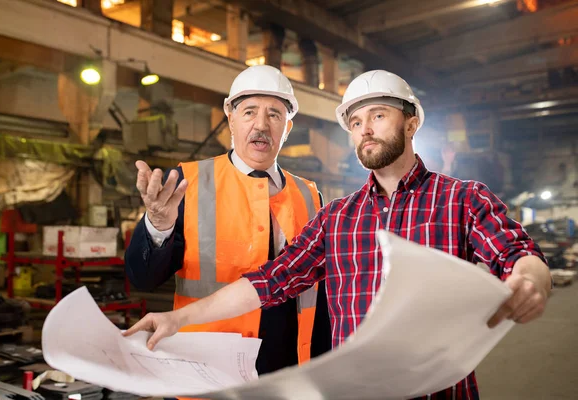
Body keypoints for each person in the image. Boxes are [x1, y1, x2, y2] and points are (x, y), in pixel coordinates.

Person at [124, 70, 552, 399]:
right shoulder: (338, 218)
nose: (364, 129)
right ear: (230, 116)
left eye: (378, 115)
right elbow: (270, 281)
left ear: (411, 123)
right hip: (333, 389)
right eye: (355, 121)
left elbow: (519, 254)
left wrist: (530, 281)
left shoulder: (460, 199)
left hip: (435, 390)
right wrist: (176, 317)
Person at [124, 65, 332, 376]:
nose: (261, 125)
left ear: (288, 126)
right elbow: (142, 279)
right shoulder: (188, 183)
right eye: (249, 112)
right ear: (230, 116)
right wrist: (157, 225)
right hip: (206, 371)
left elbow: (321, 294)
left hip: (287, 371)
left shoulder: (309, 194)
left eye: (275, 114)